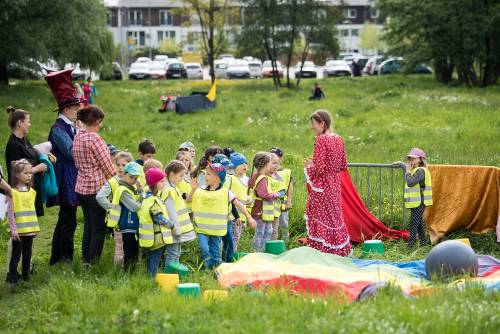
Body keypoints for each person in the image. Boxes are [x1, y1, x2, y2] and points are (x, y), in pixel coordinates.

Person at [45, 68, 86, 265]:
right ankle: (64, 257)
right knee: (67, 219)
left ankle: (58, 257)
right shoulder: (58, 129)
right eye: (76, 108)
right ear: (67, 109)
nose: (78, 111)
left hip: (71, 177)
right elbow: (70, 152)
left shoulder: (68, 126)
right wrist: (80, 134)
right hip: (65, 178)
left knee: (66, 219)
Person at [189, 162, 255, 269]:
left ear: (217, 179)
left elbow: (239, 205)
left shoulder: (226, 192)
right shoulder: (200, 190)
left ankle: (218, 270)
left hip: (217, 230)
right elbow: (189, 199)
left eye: (209, 174)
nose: (205, 176)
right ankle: (207, 269)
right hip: (202, 229)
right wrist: (193, 189)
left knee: (216, 252)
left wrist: (249, 217)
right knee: (204, 249)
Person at [304, 110, 352, 256]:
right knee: (334, 218)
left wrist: (310, 166)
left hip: (323, 186)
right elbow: (343, 165)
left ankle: (322, 252)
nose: (312, 127)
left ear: (322, 124)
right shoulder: (338, 139)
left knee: (321, 217)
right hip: (334, 184)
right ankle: (339, 250)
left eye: (314, 124)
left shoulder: (321, 139)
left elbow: (319, 169)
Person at [73, 105, 115, 265]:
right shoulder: (95, 139)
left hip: (81, 188)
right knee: (99, 228)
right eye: (101, 121)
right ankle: (93, 262)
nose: (102, 125)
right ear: (96, 121)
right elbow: (108, 167)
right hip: (96, 190)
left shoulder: (78, 137)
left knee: (89, 226)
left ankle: (85, 260)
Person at [4, 107, 47, 217]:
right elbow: (18, 173)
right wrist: (38, 168)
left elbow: (31, 155)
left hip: (30, 190)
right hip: (21, 194)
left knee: (31, 228)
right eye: (28, 121)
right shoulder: (13, 145)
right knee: (25, 229)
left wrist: (43, 154)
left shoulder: (24, 139)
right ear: (19, 123)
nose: (29, 124)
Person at [95, 151, 133, 266]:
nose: (120, 168)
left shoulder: (133, 179)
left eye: (124, 165)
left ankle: (130, 267)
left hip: (132, 220)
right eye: (118, 165)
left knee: (131, 245)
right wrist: (112, 207)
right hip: (118, 221)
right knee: (119, 247)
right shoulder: (112, 181)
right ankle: (118, 271)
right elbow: (100, 197)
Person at [5, 159, 40, 284]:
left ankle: (26, 276)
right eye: (26, 173)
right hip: (18, 232)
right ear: (17, 175)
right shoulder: (12, 193)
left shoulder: (31, 192)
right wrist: (14, 230)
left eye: (30, 173)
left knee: (27, 255)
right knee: (16, 256)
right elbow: (10, 214)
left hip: (29, 231)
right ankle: (13, 277)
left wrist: (35, 228)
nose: (29, 175)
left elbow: (32, 211)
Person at [104, 162, 143, 271]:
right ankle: (128, 272)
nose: (134, 180)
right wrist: (141, 199)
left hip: (131, 224)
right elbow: (135, 207)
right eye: (131, 177)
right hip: (127, 224)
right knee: (130, 250)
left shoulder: (130, 188)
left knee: (134, 250)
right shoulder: (123, 190)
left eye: (136, 178)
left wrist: (139, 190)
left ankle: (132, 272)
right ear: (124, 174)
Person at [138, 168, 175, 276]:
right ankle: (152, 278)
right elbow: (158, 218)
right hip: (157, 238)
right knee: (155, 259)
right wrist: (171, 225)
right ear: (155, 183)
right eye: (162, 181)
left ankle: (152, 276)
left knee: (152, 259)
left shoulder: (147, 198)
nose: (164, 184)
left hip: (150, 237)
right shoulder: (153, 200)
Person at [159, 161, 196, 268]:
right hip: (174, 229)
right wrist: (176, 228)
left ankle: (174, 273)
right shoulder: (169, 190)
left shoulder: (174, 187)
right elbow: (171, 212)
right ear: (171, 174)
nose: (182, 178)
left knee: (177, 252)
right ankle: (168, 275)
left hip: (177, 229)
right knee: (172, 253)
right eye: (180, 175)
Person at [248, 152, 286, 252]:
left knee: (268, 231)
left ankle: (262, 251)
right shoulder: (262, 178)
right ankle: (258, 252)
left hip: (264, 212)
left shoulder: (256, 175)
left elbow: (250, 185)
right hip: (261, 210)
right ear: (266, 164)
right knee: (261, 232)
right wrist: (276, 194)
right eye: (270, 163)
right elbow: (264, 195)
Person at [401, 148, 432, 248]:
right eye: (409, 159)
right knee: (418, 225)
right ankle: (423, 244)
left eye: (413, 159)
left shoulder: (420, 171)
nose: (410, 161)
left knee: (413, 225)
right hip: (416, 202)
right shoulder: (414, 170)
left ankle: (410, 247)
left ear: (420, 159)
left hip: (420, 202)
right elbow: (409, 172)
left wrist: (407, 171)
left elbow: (410, 182)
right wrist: (401, 164)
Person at [270, 147, 293, 241]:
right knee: (272, 226)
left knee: (284, 224)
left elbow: (290, 187)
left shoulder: (286, 172)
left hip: (283, 204)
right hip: (272, 204)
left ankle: (286, 241)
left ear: (281, 158)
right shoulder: (267, 172)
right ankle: (272, 242)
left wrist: (289, 201)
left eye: (276, 156)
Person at [228, 152, 250, 251]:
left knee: (237, 239)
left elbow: (250, 195)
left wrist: (250, 199)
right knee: (232, 239)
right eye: (241, 164)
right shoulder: (231, 179)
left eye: (245, 163)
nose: (244, 165)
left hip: (243, 215)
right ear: (234, 167)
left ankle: (232, 256)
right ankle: (229, 257)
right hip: (233, 215)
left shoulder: (248, 180)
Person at [175, 150, 193, 214]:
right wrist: (184, 195)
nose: (184, 162)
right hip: (181, 208)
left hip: (192, 208)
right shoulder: (175, 174)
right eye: (181, 160)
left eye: (187, 160)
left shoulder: (192, 174)